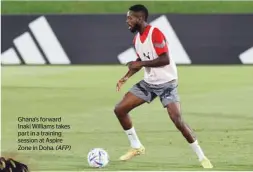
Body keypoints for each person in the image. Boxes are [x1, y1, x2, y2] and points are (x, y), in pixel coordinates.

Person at [114, 4, 213, 169]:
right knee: (120, 109)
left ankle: (201, 157)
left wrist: (139, 63)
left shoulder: (155, 33)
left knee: (177, 120)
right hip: (149, 83)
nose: (127, 21)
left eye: (130, 18)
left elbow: (164, 59)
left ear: (140, 18)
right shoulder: (137, 39)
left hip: (167, 83)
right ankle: (137, 146)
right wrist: (125, 77)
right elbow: (139, 63)